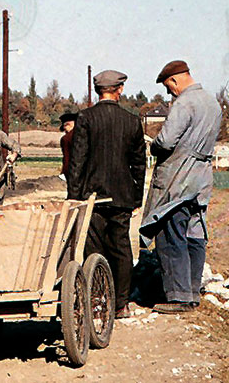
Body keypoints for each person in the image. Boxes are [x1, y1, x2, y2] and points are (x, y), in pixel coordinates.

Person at [140, 60, 221, 314]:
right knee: (195, 233)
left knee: (170, 228)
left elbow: (165, 141)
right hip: (203, 176)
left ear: (175, 80)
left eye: (168, 87)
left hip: (180, 176)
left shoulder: (184, 103)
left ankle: (178, 297)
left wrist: (152, 145)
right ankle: (193, 292)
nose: (169, 93)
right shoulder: (212, 103)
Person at [67, 69, 146, 319]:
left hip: (93, 196)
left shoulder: (85, 118)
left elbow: (77, 162)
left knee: (94, 248)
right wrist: (136, 198)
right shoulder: (132, 121)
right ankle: (121, 304)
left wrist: (74, 196)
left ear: (98, 90)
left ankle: (98, 301)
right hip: (122, 196)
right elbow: (139, 164)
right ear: (119, 89)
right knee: (121, 248)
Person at [59, 112, 78, 180]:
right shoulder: (86, 135)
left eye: (64, 128)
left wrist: (64, 172)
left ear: (68, 125)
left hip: (73, 172)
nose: (65, 131)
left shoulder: (66, 139)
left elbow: (67, 158)